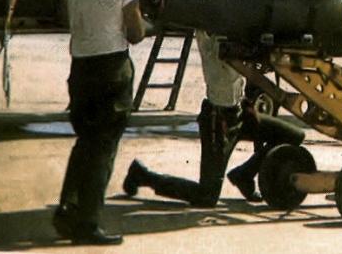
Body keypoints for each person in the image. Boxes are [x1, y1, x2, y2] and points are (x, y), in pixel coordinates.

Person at [122, 30, 305, 207]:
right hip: (218, 120)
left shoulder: (232, 26)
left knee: (293, 136)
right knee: (207, 196)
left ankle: (244, 174)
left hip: (241, 113)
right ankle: (143, 176)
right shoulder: (210, 30)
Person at [53, 0, 146, 246]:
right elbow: (135, 34)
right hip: (112, 70)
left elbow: (66, 18)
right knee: (103, 148)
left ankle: (68, 209)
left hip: (80, 68)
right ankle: (88, 222)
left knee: (85, 143)